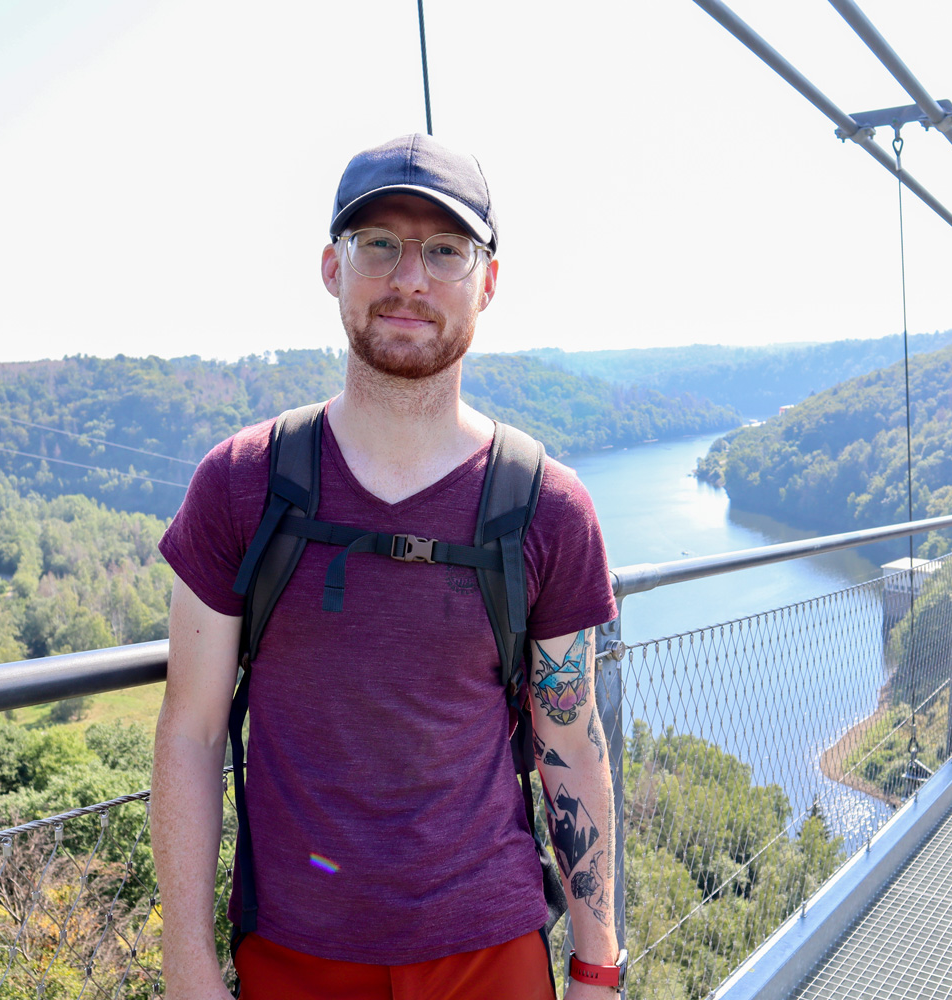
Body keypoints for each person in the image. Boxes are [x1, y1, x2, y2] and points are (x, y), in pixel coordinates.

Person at [151, 135, 624, 1000]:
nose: (410, 278)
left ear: (487, 283)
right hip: (294, 952)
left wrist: (596, 962)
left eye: (445, 250)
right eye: (379, 244)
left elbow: (568, 736)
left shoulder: (548, 507)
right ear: (332, 267)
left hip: (492, 949)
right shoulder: (242, 485)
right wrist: (188, 969)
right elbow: (190, 734)